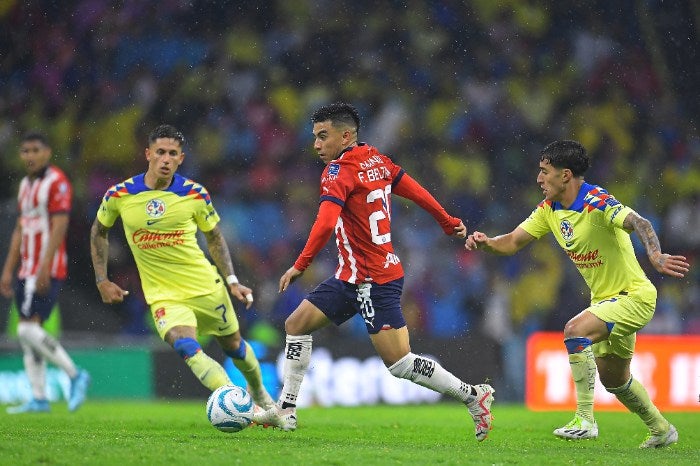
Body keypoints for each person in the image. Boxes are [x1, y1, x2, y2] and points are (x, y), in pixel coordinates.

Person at [253, 102, 495, 442]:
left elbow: (325, 222)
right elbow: (414, 188)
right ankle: (286, 410)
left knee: (399, 364)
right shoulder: (376, 159)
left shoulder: (338, 172)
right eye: (315, 137)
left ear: (346, 135)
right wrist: (446, 220)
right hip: (351, 276)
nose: (317, 145)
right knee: (296, 324)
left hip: (373, 280)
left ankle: (473, 395)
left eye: (323, 137)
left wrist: (300, 264)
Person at [465, 140, 690, 448]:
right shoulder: (549, 210)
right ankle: (662, 429)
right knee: (615, 380)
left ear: (565, 175)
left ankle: (585, 419)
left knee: (574, 330)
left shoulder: (596, 201)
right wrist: (487, 242)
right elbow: (514, 241)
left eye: (545, 172)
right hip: (606, 302)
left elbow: (639, 221)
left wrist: (655, 254)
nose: (539, 179)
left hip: (635, 296)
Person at [89, 124, 274, 409]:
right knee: (184, 343)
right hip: (164, 295)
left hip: (205, 286)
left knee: (235, 347)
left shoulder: (195, 194)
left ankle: (259, 392)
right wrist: (102, 279)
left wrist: (232, 279)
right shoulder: (120, 194)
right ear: (148, 154)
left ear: (181, 158)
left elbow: (215, 238)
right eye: (160, 152)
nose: (165, 159)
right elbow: (99, 231)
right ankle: (237, 404)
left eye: (172, 153)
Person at [1, 132, 91, 413]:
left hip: (45, 268)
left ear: (47, 152)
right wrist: (7, 270)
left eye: (35, 150)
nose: (29, 156)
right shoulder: (25, 186)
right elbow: (20, 229)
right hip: (25, 269)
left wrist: (44, 267)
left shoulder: (57, 182)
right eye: (25, 150)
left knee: (26, 329)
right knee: (30, 334)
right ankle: (39, 398)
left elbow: (60, 226)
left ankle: (75, 375)